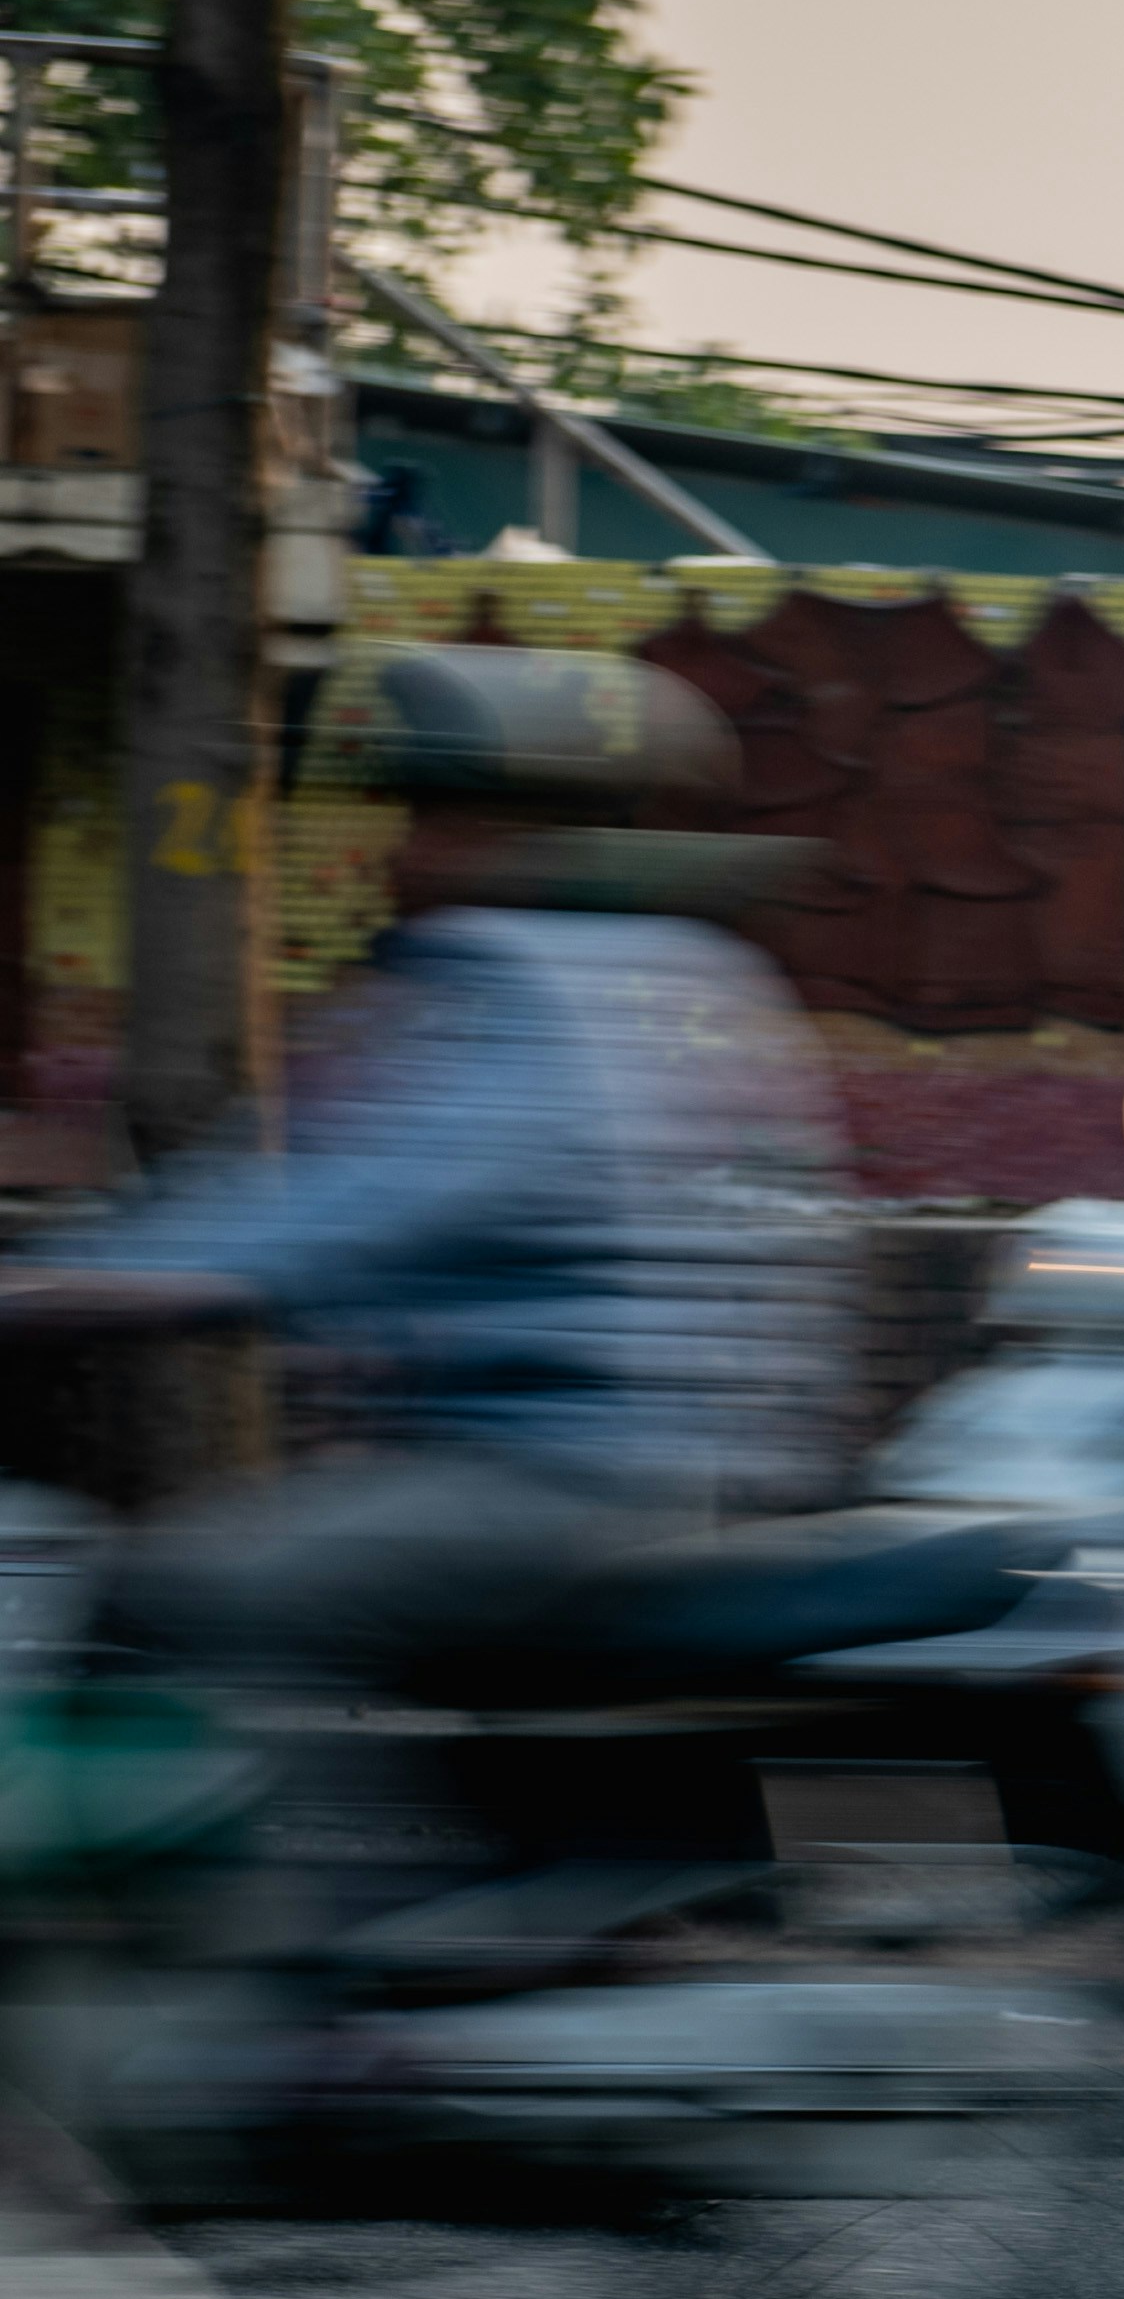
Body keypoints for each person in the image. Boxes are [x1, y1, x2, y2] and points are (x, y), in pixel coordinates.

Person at [0, 648, 846, 1692]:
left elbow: (364, 1202)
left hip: (554, 1481)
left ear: (512, 829)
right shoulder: (692, 966)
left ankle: (299, 1860)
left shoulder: (522, 980)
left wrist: (84, 1286)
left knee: (179, 1594)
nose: (398, 856)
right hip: (701, 1470)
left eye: (428, 822)